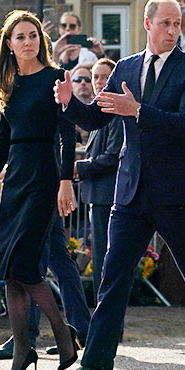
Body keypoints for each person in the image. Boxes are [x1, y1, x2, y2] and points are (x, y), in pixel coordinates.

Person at [51, 0, 185, 370]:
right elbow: (98, 117)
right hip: (131, 192)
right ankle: (97, 365)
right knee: (113, 278)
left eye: (178, 24)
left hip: (174, 192)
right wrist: (69, 105)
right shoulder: (127, 66)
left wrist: (137, 111)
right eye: (166, 23)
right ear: (148, 24)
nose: (173, 30)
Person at [0, 9, 78, 370]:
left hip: (44, 176)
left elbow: (68, 134)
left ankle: (64, 337)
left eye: (33, 35)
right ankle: (23, 351)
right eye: (20, 36)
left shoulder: (55, 78)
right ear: (9, 44)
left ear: (40, 41)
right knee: (9, 271)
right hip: (15, 177)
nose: (28, 41)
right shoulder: (10, 84)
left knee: (27, 266)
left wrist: (66, 180)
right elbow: (3, 139)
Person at [74, 57, 122, 293]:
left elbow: (112, 156)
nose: (100, 82)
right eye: (96, 77)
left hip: (108, 195)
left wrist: (79, 168)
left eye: (105, 77)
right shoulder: (99, 109)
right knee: (101, 256)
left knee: (105, 257)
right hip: (98, 195)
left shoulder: (114, 111)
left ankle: (107, 318)